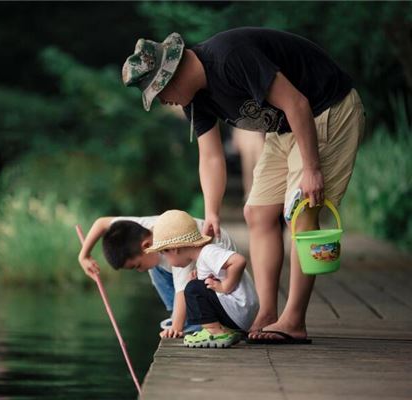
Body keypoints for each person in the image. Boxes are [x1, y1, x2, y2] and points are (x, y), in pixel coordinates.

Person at [122, 28, 365, 343]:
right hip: (286, 127)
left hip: (327, 109)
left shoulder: (230, 57)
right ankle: (267, 313)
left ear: (172, 73)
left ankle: (293, 320)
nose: (163, 100)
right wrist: (212, 213)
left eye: (159, 92)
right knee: (257, 213)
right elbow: (210, 157)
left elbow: (297, 102)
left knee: (301, 212)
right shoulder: (195, 99)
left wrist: (311, 168)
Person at [78, 215, 236, 338]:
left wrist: (176, 328)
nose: (139, 271)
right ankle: (182, 318)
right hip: (183, 265)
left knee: (181, 286)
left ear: (146, 245)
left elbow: (182, 290)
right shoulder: (137, 230)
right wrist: (84, 255)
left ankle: (191, 323)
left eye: (137, 266)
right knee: (153, 266)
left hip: (219, 271)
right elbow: (101, 223)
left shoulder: (176, 247)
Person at [145, 209, 259, 348]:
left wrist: (225, 286)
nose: (167, 261)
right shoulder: (202, 259)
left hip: (240, 310)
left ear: (174, 249)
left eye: (164, 253)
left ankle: (214, 332)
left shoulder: (208, 252)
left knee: (192, 289)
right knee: (194, 284)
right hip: (238, 314)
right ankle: (226, 331)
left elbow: (239, 261)